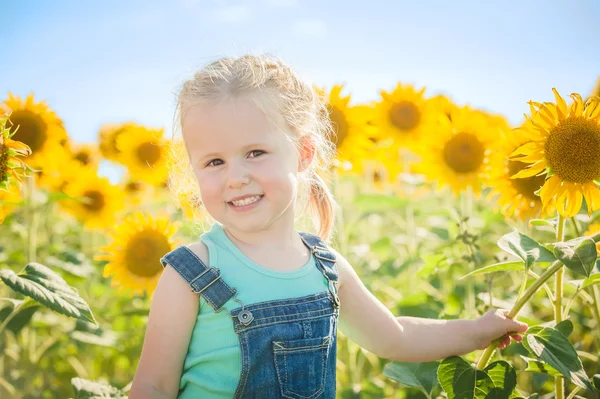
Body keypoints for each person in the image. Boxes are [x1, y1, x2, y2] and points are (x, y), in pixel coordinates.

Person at [128, 54, 528, 399]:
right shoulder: (192, 273)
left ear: (303, 154)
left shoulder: (326, 266)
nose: (235, 177)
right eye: (214, 162)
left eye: (255, 152)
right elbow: (153, 386)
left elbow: (395, 337)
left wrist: (476, 330)